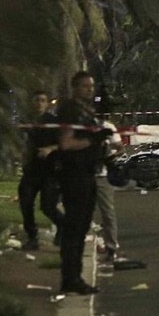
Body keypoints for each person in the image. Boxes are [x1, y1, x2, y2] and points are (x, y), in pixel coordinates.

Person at [55, 71, 110, 295]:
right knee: (74, 229)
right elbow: (66, 144)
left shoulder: (87, 111)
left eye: (91, 86)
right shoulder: (70, 110)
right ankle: (71, 278)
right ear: (75, 87)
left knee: (81, 228)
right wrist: (92, 140)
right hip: (74, 175)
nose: (90, 90)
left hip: (88, 172)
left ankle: (75, 276)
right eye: (85, 86)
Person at [17, 90, 65, 250]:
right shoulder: (26, 121)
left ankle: (63, 226)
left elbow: (64, 143)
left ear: (47, 103)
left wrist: (50, 149)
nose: (39, 103)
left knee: (48, 206)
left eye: (42, 100)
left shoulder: (53, 121)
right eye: (36, 100)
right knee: (25, 201)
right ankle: (32, 237)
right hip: (31, 169)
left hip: (50, 170)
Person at [94, 120, 124, 263]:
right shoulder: (77, 124)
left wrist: (108, 157)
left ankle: (111, 247)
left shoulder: (106, 126)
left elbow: (120, 148)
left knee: (107, 212)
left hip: (102, 176)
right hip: (82, 174)